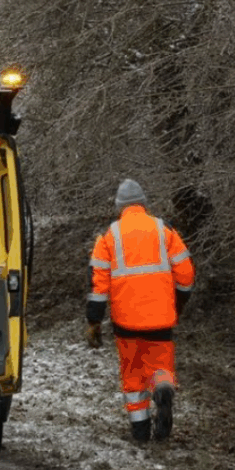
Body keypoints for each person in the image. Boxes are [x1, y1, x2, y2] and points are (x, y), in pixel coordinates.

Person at [86, 179, 195, 442]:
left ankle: (141, 431)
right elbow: (187, 274)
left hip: (126, 322)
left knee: (133, 375)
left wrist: (94, 321)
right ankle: (163, 388)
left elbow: (98, 285)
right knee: (160, 366)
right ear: (144, 203)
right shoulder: (164, 230)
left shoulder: (108, 236)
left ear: (119, 206)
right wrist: (178, 303)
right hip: (161, 319)